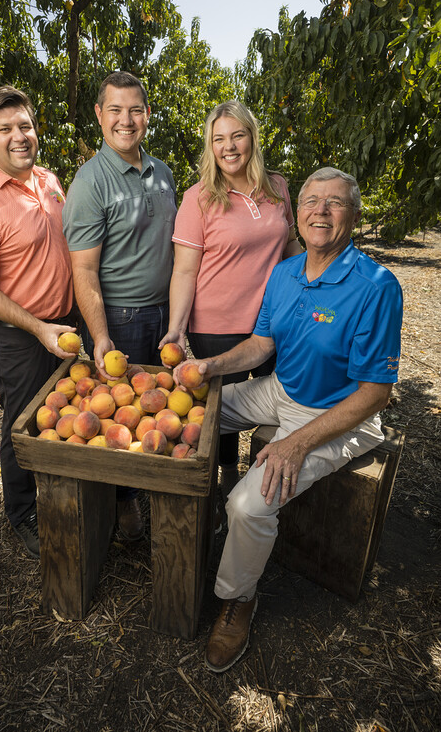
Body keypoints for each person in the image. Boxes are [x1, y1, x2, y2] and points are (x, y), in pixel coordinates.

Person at [173, 168, 403, 673]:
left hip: (339, 415)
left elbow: (376, 393)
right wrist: (210, 368)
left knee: (248, 505)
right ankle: (178, 513)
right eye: (311, 201)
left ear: (354, 215)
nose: (321, 210)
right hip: (282, 392)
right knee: (197, 407)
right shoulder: (286, 272)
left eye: (335, 202)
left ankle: (239, 601)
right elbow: (262, 345)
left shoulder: (376, 286)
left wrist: (295, 443)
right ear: (295, 214)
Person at [0, 86, 78, 560]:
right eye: (4, 129)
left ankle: (64, 498)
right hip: (19, 337)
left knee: (64, 415)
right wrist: (38, 327)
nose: (18, 136)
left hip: (65, 325)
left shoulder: (50, 181)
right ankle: (23, 513)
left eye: (24, 125)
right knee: (22, 426)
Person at [159, 100, 302, 517]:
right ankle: (223, 482)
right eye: (218, 139)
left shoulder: (278, 187)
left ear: (252, 137)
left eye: (237, 135)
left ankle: (267, 486)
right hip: (217, 327)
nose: (229, 146)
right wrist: (177, 328)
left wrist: (312, 286)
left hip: (274, 327)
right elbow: (185, 271)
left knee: (277, 408)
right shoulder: (199, 198)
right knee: (220, 415)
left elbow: (289, 246)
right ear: (210, 146)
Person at [62, 71, 177, 541]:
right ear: (99, 115)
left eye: (135, 110)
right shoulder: (91, 181)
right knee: (117, 416)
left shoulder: (164, 173)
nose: (125, 120)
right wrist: (101, 335)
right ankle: (125, 502)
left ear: (147, 115)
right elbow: (83, 271)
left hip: (164, 315)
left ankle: (155, 486)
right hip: (121, 320)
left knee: (157, 408)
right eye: (115, 110)